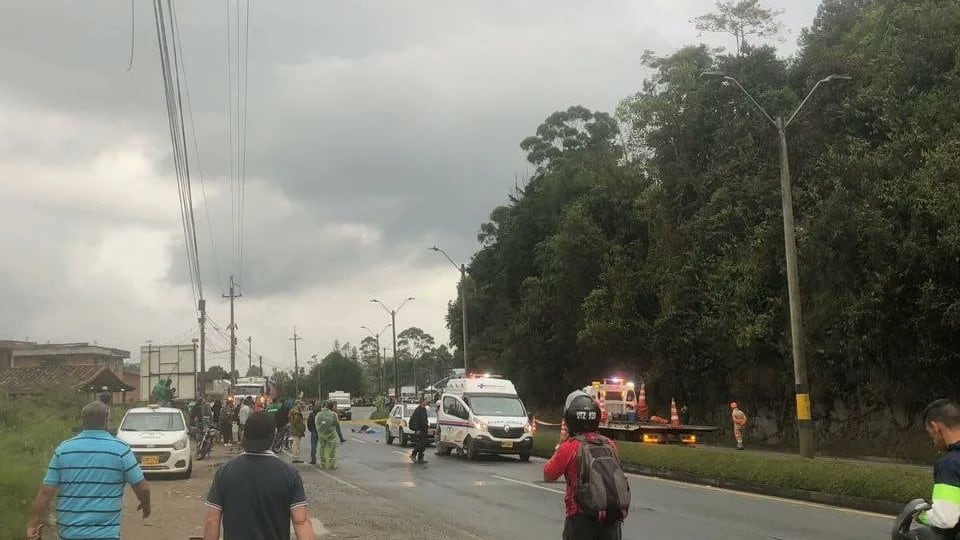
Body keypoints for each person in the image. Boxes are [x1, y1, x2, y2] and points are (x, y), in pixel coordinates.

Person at [27, 401, 151, 540]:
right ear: (106, 421)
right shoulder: (121, 450)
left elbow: (46, 491)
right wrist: (145, 504)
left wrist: (33, 523)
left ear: (82, 421)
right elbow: (142, 488)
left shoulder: (63, 450)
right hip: (106, 535)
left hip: (69, 533)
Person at [202, 412, 315, 540]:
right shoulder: (289, 474)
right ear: (274, 434)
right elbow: (301, 522)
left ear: (245, 435)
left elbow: (212, 520)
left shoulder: (225, 472)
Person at [544, 390, 628, 540]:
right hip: (610, 518)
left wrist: (560, 443)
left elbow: (549, 474)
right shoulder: (610, 444)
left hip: (580, 518)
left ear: (570, 419)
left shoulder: (570, 446)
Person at [906, 399, 960, 539]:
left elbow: (945, 519)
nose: (932, 439)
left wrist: (920, 516)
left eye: (930, 433)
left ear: (935, 427)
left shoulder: (950, 464)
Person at [315, 401, 346, 469]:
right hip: (331, 434)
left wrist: (320, 430)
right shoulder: (333, 414)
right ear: (331, 407)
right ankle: (331, 464)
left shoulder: (319, 414)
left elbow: (317, 423)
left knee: (322, 448)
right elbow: (336, 424)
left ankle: (322, 463)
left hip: (321, 434)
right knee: (332, 449)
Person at [408, 398, 429, 464]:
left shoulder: (424, 409)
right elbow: (415, 421)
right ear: (422, 402)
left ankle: (420, 458)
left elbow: (425, 419)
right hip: (419, 429)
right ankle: (413, 455)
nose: (426, 403)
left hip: (424, 429)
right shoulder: (418, 410)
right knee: (420, 444)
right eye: (425, 401)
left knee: (424, 444)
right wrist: (417, 429)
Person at [307, 400, 320, 465]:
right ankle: (323, 459)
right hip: (320, 432)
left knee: (313, 446)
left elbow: (308, 423)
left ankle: (313, 459)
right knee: (322, 446)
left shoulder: (311, 414)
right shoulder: (320, 414)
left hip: (314, 431)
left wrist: (311, 430)